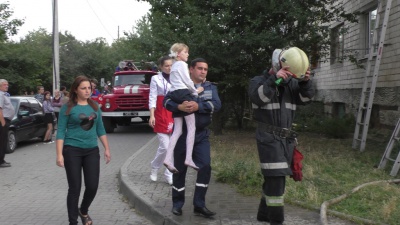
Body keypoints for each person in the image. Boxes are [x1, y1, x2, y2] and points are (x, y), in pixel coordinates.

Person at [248, 48, 315, 225]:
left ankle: (263, 214)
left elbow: (307, 99)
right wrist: (274, 81)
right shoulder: (258, 81)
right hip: (268, 138)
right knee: (277, 179)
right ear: (278, 65)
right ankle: (277, 221)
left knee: (274, 177)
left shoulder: (292, 85)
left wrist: (305, 82)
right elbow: (258, 98)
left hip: (286, 140)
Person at [164, 58, 221, 217]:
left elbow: (216, 104)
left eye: (205, 69)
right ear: (191, 69)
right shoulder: (180, 84)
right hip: (182, 136)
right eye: (200, 68)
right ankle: (177, 204)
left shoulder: (210, 87)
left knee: (205, 167)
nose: (203, 72)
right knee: (179, 171)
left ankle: (199, 205)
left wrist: (199, 106)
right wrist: (178, 107)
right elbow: (166, 101)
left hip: (201, 136)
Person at [56, 75, 111, 225]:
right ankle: (72, 222)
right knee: (75, 188)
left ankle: (83, 210)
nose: (87, 91)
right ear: (75, 90)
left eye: (89, 88)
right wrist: (59, 154)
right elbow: (60, 131)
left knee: (92, 186)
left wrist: (107, 148)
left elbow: (100, 129)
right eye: (83, 88)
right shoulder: (68, 108)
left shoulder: (94, 107)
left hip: (91, 150)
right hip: (72, 150)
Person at [163, 43, 204, 173]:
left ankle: (168, 159)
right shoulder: (181, 64)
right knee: (192, 128)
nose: (188, 54)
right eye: (186, 52)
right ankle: (188, 158)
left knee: (178, 131)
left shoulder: (174, 66)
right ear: (179, 53)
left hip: (175, 94)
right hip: (183, 93)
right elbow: (187, 80)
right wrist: (195, 91)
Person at [148, 56, 174, 185]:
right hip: (160, 112)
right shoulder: (155, 78)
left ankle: (168, 173)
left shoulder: (176, 77)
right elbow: (152, 97)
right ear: (161, 67)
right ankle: (155, 167)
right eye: (166, 66)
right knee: (165, 146)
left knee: (171, 146)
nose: (169, 68)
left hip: (173, 111)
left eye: (171, 65)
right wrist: (152, 115)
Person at [0, 79, 15, 168]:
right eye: (5, 85)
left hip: (5, 120)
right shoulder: (0, 95)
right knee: (2, 141)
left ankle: (2, 159)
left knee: (3, 140)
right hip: (3, 120)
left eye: (7, 84)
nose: (7, 86)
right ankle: (1, 161)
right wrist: (3, 122)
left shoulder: (3, 95)